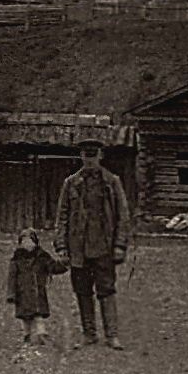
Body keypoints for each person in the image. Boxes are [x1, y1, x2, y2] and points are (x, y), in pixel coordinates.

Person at [53, 139, 131, 350]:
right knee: (82, 291)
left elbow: (123, 217)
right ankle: (89, 334)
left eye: (93, 155)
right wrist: (61, 247)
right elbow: (62, 217)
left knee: (106, 289)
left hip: (104, 248)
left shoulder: (112, 182)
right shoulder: (71, 183)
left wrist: (120, 245)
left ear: (100, 156)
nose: (89, 159)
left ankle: (112, 335)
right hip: (78, 249)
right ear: (81, 157)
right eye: (86, 155)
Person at [6, 227, 68, 345]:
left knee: (38, 316)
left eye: (30, 241)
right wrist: (11, 294)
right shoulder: (16, 260)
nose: (28, 245)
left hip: (37, 293)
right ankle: (27, 335)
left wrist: (64, 264)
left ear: (35, 243)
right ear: (20, 244)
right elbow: (12, 278)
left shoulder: (42, 257)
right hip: (23, 293)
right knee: (26, 318)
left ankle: (41, 334)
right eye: (24, 242)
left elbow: (52, 267)